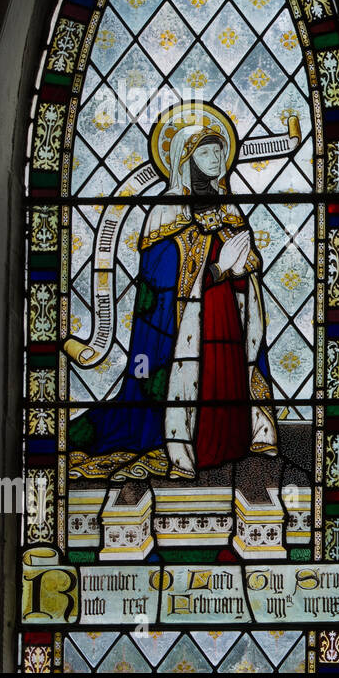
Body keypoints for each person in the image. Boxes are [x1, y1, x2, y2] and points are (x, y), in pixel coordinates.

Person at [68, 105, 277, 480]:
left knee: (226, 380)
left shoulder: (229, 208)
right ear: (185, 158)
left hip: (227, 316)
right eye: (206, 151)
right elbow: (158, 280)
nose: (216, 158)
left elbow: (249, 265)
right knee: (184, 385)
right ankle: (183, 446)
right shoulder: (164, 212)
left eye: (218, 150)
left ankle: (231, 442)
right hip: (184, 329)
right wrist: (218, 268)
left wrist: (244, 265)